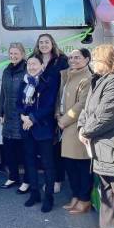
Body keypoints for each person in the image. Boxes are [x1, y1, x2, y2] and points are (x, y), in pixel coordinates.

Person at [77, 45, 114, 228]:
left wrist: (87, 130)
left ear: (109, 60)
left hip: (112, 145)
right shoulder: (100, 79)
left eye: (96, 60)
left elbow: (109, 114)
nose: (93, 64)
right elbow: (87, 110)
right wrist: (82, 128)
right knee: (106, 190)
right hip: (100, 145)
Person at [18, 54, 61, 213]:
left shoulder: (47, 82)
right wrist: (22, 115)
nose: (31, 67)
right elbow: (19, 103)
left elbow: (49, 105)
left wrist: (32, 118)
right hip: (27, 129)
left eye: (35, 64)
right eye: (29, 64)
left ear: (42, 66)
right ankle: (34, 193)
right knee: (30, 163)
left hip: (43, 129)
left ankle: (48, 197)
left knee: (48, 165)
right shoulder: (25, 82)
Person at [56, 49, 93, 214]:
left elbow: (82, 104)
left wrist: (63, 121)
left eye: (77, 57)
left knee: (82, 166)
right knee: (70, 166)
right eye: (71, 58)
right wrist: (57, 114)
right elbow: (61, 98)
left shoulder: (87, 78)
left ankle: (84, 200)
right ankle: (75, 196)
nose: (73, 60)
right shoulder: (68, 75)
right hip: (65, 126)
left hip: (76, 126)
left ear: (86, 59)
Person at [33, 33, 68, 193]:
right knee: (44, 149)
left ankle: (57, 180)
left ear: (52, 44)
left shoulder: (61, 60)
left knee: (56, 147)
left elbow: (66, 84)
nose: (44, 45)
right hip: (39, 110)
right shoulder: (34, 59)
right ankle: (48, 179)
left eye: (47, 42)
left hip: (56, 108)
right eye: (41, 42)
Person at [0, 43, 28, 191]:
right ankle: (12, 177)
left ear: (22, 54)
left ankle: (27, 180)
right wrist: (0, 112)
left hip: (22, 116)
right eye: (11, 54)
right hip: (8, 116)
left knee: (24, 151)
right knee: (8, 150)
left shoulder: (27, 69)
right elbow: (3, 93)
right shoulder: (6, 71)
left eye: (16, 53)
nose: (13, 56)